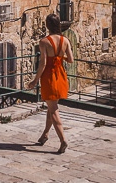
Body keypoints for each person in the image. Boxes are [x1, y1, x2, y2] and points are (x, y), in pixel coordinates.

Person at [26, 13, 74, 154]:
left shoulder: (44, 42)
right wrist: (60, 57)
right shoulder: (65, 40)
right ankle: (45, 135)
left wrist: (35, 80)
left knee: (53, 109)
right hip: (61, 75)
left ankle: (63, 140)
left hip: (49, 77)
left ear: (47, 25)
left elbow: (43, 63)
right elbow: (70, 60)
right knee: (51, 106)